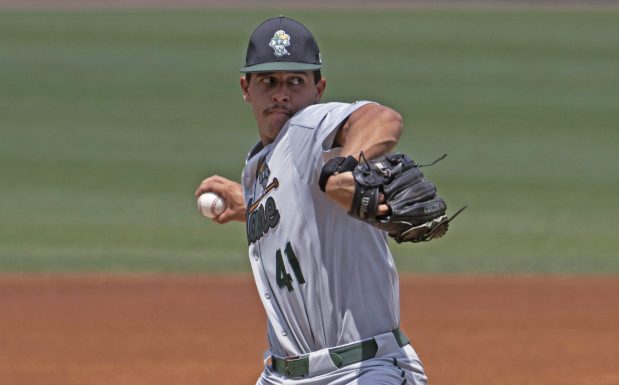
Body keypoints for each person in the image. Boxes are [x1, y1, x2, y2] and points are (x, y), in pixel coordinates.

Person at [195, 16, 428, 385]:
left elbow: (381, 118)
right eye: (268, 82)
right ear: (246, 87)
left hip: (361, 371)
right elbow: (296, 203)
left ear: (319, 89)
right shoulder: (258, 167)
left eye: (295, 82)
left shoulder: (309, 127)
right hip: (282, 376)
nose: (281, 94)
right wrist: (249, 204)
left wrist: (340, 169)